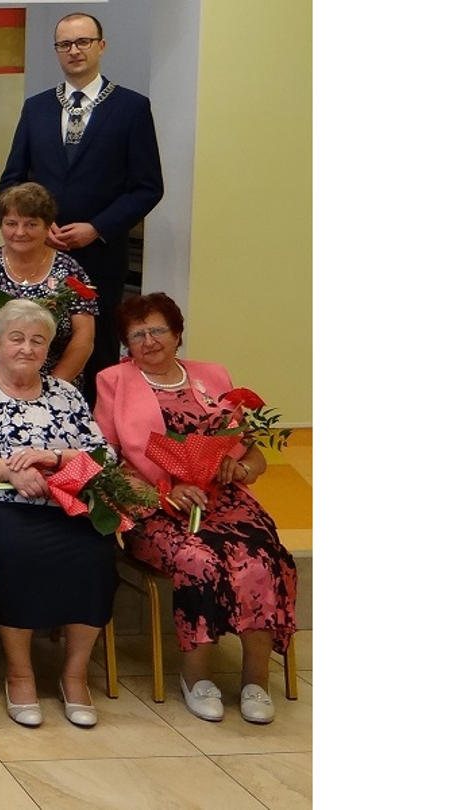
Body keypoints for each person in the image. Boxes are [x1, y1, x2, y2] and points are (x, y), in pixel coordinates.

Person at [94, 293, 295, 724]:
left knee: (258, 558)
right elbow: (107, 462)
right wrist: (162, 493)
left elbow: (255, 455)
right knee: (197, 559)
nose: (149, 341)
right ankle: (197, 676)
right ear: (127, 344)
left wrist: (236, 468)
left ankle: (255, 680)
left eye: (158, 330)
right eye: (138, 334)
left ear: (178, 333)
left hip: (225, 500)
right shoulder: (114, 380)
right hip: (154, 505)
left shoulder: (213, 375)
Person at [0, 298, 116, 730]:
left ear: (48, 349)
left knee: (98, 551)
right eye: (16, 338)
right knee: (17, 552)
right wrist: (11, 471)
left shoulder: (66, 394)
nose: (26, 348)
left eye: (37, 341)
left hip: (62, 504)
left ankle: (74, 675)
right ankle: (20, 674)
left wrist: (53, 459)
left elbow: (104, 456)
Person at [2, 12, 164, 392]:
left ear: (101, 46)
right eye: (65, 44)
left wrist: (98, 228)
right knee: (35, 338)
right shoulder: (36, 107)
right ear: (57, 51)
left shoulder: (131, 108)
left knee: (100, 344)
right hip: (40, 254)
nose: (74, 51)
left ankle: (97, 434)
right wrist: (36, 230)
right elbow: (12, 181)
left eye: (83, 42)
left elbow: (147, 186)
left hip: (101, 253)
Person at [0, 182, 97, 385]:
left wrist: (55, 385)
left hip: (52, 381)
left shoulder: (68, 269)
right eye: (11, 223)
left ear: (48, 226)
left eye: (31, 224)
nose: (20, 232)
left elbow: (83, 339)